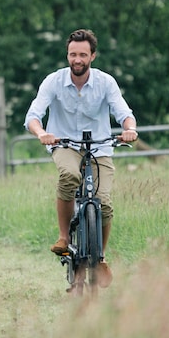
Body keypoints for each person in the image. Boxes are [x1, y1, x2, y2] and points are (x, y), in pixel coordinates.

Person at [24, 28, 137, 289]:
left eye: (83, 55)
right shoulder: (53, 81)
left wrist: (130, 129)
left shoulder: (106, 82)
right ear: (67, 55)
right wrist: (42, 133)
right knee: (69, 175)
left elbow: (123, 112)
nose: (77, 59)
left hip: (100, 147)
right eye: (73, 54)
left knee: (104, 203)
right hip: (65, 144)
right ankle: (64, 237)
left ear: (92, 56)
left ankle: (100, 258)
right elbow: (33, 115)